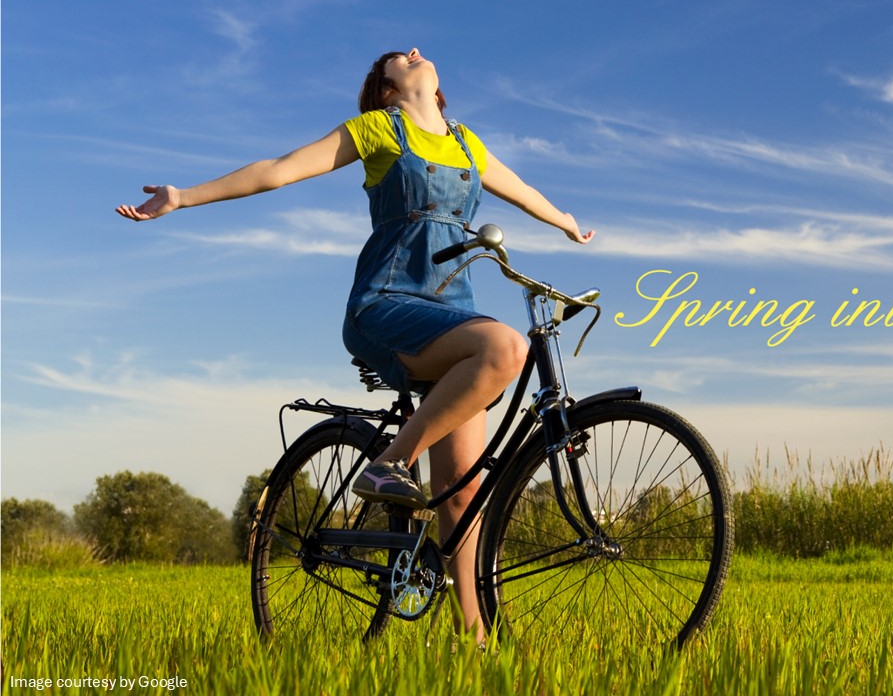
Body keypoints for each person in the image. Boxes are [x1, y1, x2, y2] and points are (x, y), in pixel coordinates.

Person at [116, 47, 593, 640]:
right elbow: (279, 168)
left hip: (453, 315)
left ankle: (473, 641)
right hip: (387, 304)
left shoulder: (467, 144)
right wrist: (184, 196)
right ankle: (389, 463)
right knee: (505, 349)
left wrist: (566, 220)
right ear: (388, 89)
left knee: (463, 488)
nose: (415, 53)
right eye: (399, 57)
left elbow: (520, 190)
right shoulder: (378, 130)